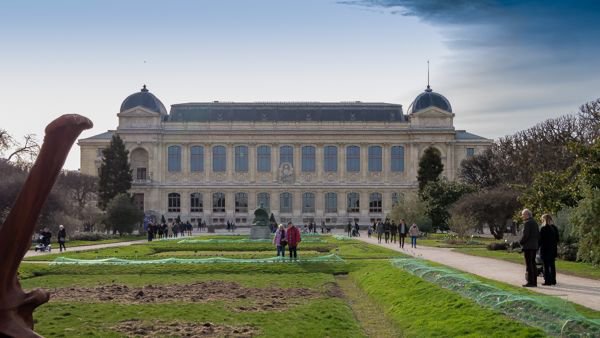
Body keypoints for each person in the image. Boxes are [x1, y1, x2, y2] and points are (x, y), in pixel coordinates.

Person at [519, 208, 540, 287]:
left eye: (523, 215)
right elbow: (538, 234)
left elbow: (526, 235)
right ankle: (534, 282)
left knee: (529, 264)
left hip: (528, 246)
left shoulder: (527, 223)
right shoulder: (535, 222)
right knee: (533, 264)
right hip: (534, 246)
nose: (522, 216)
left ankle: (530, 282)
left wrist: (521, 242)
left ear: (527, 215)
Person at [539, 214, 559, 286]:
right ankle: (553, 280)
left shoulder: (543, 228)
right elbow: (557, 239)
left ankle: (547, 281)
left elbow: (540, 240)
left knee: (546, 266)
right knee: (552, 265)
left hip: (545, 249)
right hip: (553, 249)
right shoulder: (554, 228)